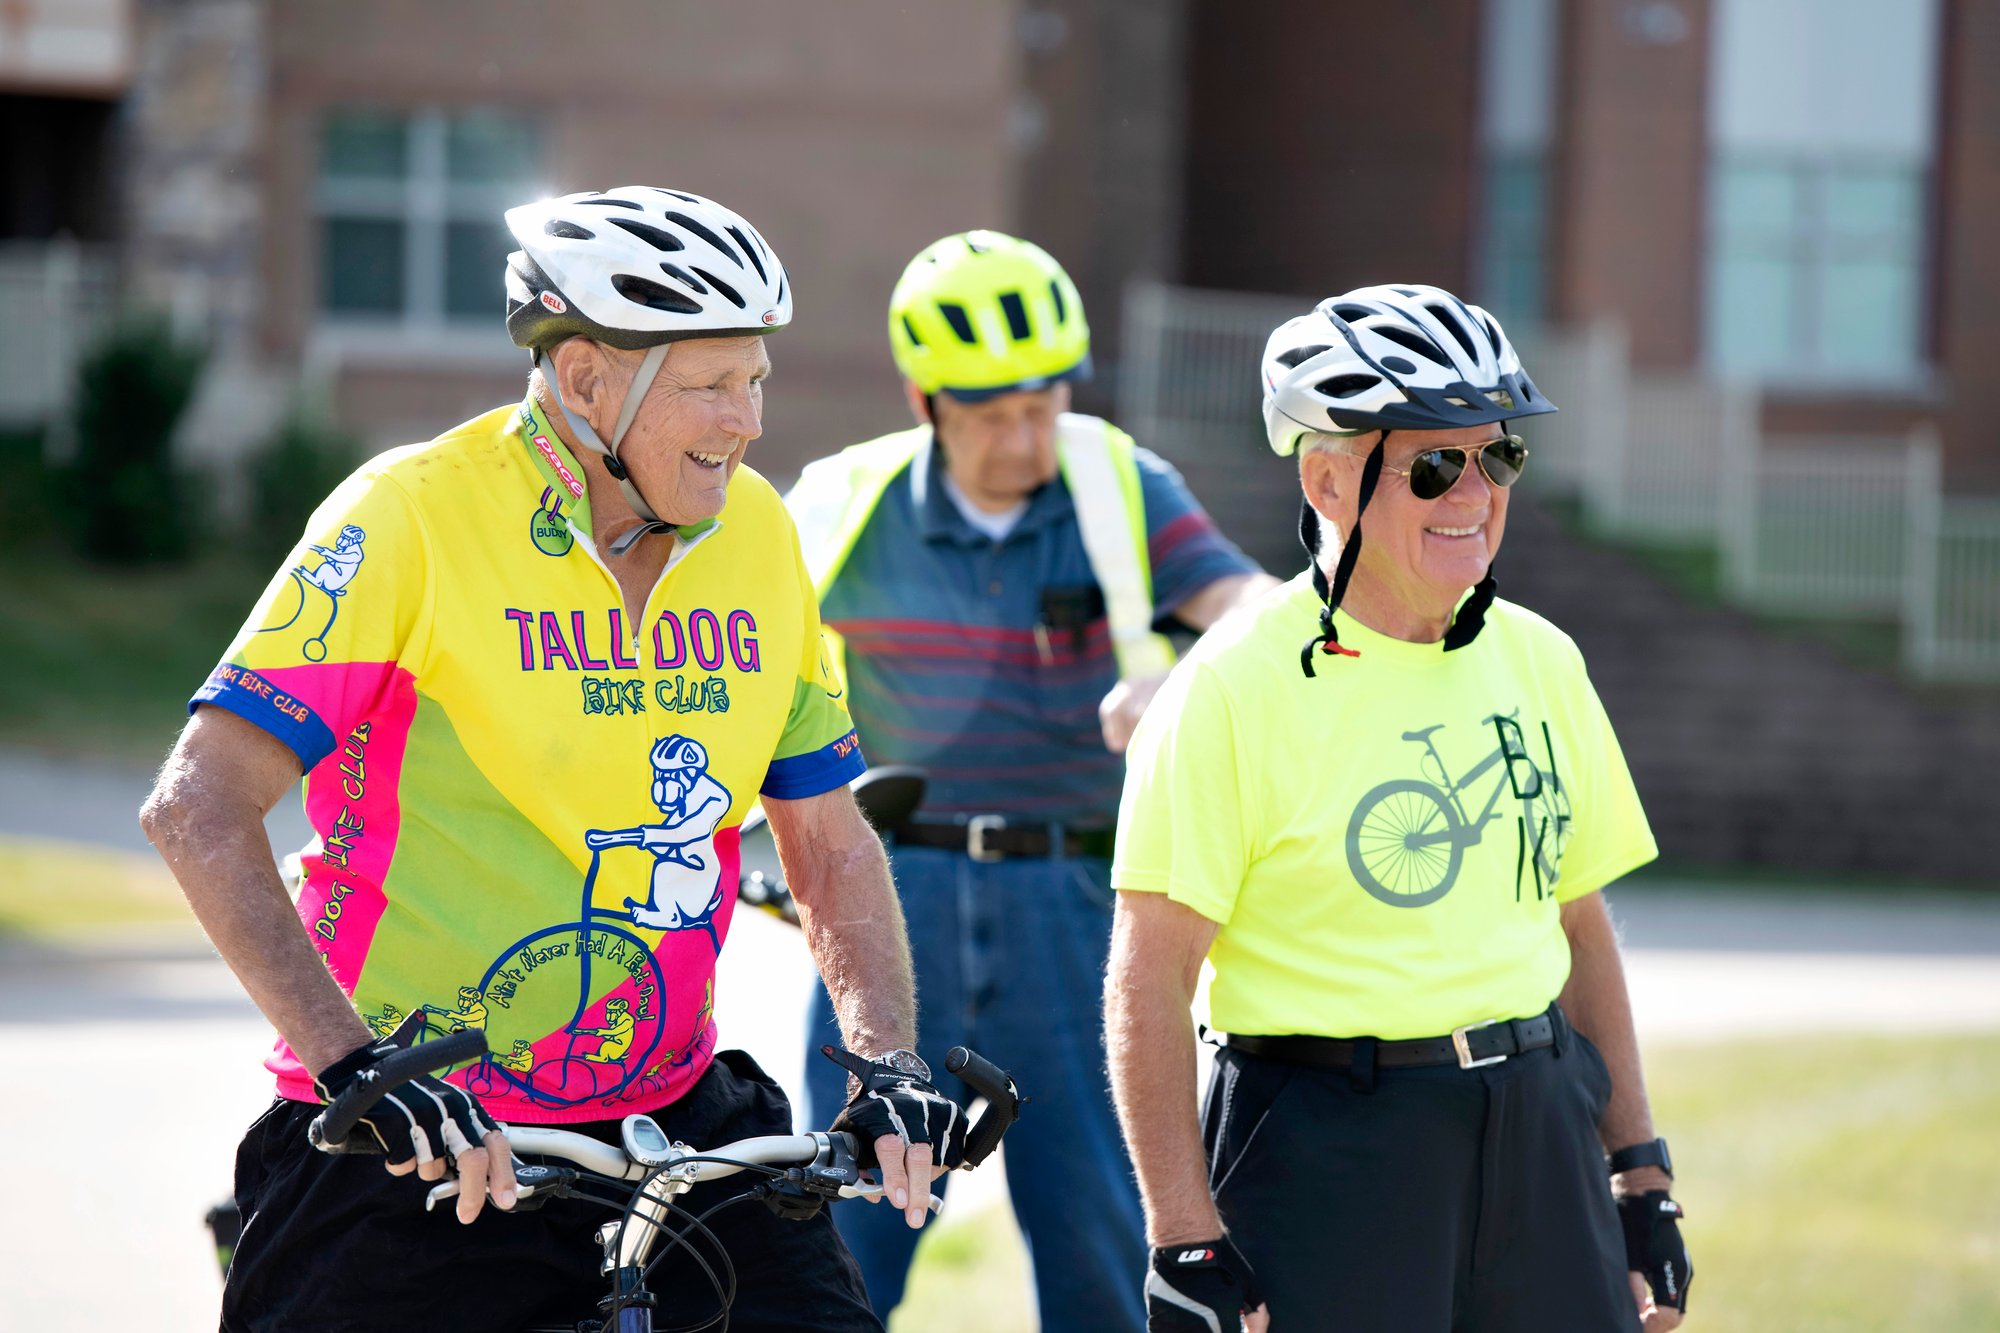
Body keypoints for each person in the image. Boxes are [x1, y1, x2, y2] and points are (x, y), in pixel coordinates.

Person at [139, 186, 973, 1333]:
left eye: (755, 380)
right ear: (584, 380)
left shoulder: (761, 536)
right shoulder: (411, 516)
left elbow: (827, 842)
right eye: (707, 385)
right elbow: (198, 809)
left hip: (671, 1119)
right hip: (414, 1134)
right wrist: (357, 1070)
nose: (746, 421)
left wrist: (887, 1063)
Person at [1105, 285, 1692, 1333]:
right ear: (1328, 478)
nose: (1473, 491)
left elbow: (1578, 924)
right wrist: (1181, 1237)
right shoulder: (1230, 686)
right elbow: (1148, 977)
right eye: (1432, 464)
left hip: (1539, 1123)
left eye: (1496, 456)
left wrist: (1638, 1166)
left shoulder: (1543, 660)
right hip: (1328, 1146)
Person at [786, 230, 1277, 1332]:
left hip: (1072, 908)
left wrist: (1183, 681)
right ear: (924, 400)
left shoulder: (1116, 481)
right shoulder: (834, 504)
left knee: (1098, 1236)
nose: (1027, 435)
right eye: (993, 413)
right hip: (889, 906)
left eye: (1044, 403)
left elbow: (1259, 610)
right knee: (843, 1233)